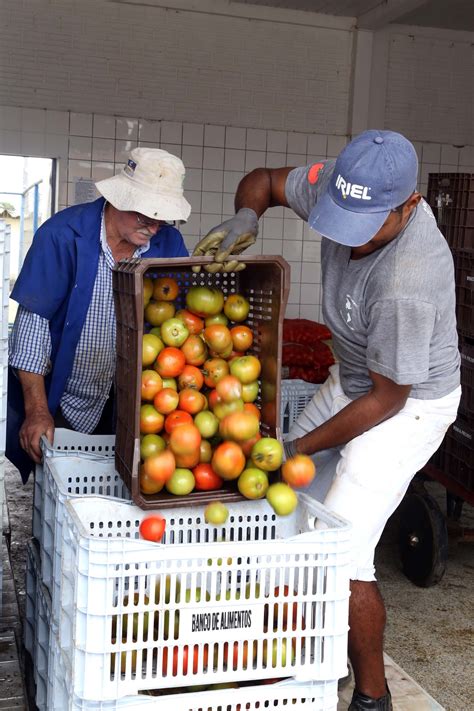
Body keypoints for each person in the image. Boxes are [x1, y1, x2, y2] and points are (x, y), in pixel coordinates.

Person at [193, 130, 461, 711]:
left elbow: (388, 401)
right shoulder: (339, 186)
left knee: (341, 552)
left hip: (407, 404)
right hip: (356, 378)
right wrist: (246, 215)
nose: (349, 242)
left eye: (363, 227)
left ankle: (371, 694)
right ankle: (305, 651)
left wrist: (301, 445)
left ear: (408, 205)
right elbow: (265, 182)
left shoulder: (406, 283)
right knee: (284, 505)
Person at [7, 147, 191, 483]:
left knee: (123, 486)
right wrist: (36, 410)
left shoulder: (169, 245)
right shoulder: (62, 236)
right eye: (144, 215)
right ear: (120, 198)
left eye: (161, 217)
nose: (153, 227)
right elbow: (32, 329)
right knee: (59, 485)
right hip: (63, 398)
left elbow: (181, 326)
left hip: (135, 402)